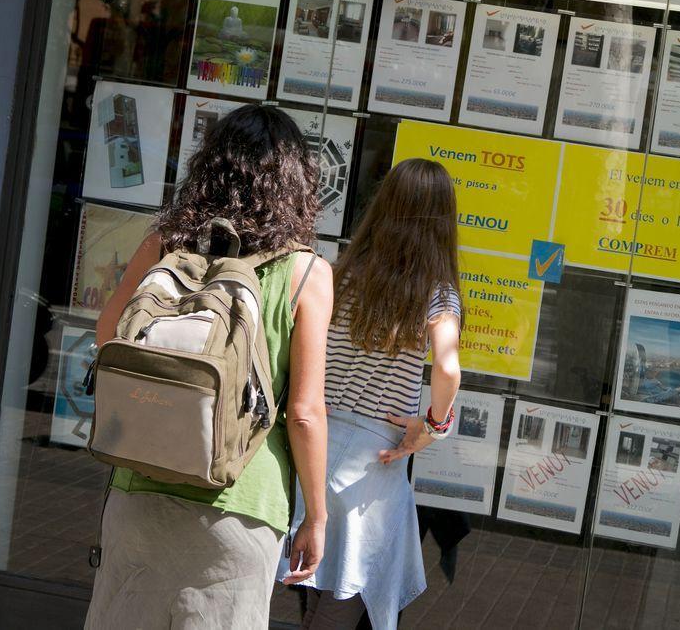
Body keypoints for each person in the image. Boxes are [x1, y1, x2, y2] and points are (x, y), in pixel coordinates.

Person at [85, 104, 334, 628]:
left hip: (140, 486)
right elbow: (305, 413)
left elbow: (109, 339)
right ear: (295, 184)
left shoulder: (164, 246)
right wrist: (317, 514)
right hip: (242, 503)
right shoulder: (307, 272)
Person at [282, 158, 463, 630]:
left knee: (306, 587)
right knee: (338, 605)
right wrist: (433, 427)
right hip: (372, 466)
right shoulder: (437, 293)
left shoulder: (340, 273)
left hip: (311, 443)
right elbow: (446, 366)